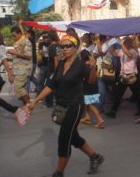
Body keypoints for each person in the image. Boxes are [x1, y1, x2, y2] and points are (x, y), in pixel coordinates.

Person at [28, 35, 104, 177]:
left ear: (75, 48)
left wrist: (93, 67)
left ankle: (59, 173)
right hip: (62, 106)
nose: (65, 49)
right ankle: (95, 157)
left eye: (68, 46)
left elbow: (92, 81)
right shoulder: (61, 64)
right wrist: (34, 101)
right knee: (73, 136)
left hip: (75, 106)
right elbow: (50, 86)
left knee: (64, 138)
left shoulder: (81, 65)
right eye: (62, 46)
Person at [106, 36, 140, 118]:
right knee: (118, 95)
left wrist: (121, 45)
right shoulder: (122, 51)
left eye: (126, 42)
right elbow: (112, 52)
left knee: (137, 94)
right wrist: (111, 42)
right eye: (125, 42)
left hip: (132, 75)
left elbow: (129, 55)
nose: (126, 44)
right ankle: (113, 111)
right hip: (124, 76)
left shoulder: (134, 51)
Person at [80, 50, 105, 129]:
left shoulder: (83, 66)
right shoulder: (93, 65)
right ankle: (87, 117)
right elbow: (96, 76)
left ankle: (99, 120)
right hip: (94, 86)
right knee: (87, 102)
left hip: (87, 87)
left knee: (90, 104)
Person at [7, 26, 32, 105]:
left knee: (18, 88)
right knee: (20, 88)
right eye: (12, 36)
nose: (13, 37)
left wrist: (15, 53)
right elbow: (14, 58)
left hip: (23, 69)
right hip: (17, 69)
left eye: (14, 35)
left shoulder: (26, 41)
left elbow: (28, 56)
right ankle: (26, 105)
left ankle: (29, 105)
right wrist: (11, 71)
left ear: (20, 34)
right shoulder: (16, 42)